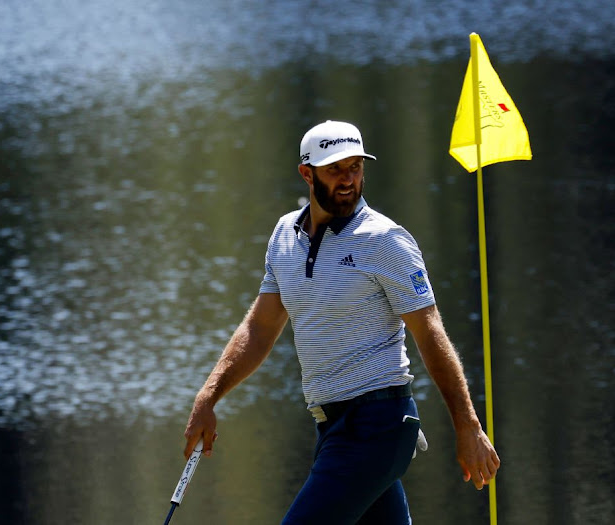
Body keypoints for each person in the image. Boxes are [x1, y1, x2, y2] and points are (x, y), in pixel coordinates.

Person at [183, 120, 500, 524]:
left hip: (378, 426)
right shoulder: (285, 235)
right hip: (333, 429)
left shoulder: (384, 239)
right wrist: (208, 397)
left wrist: (468, 426)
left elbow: (430, 333)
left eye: (355, 167)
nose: (348, 180)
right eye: (335, 169)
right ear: (306, 173)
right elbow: (259, 329)